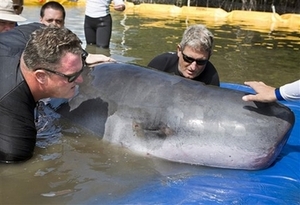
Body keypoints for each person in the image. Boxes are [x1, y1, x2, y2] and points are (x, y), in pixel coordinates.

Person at [0, 25, 84, 163]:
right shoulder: (15, 136)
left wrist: (85, 56)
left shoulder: (30, 34)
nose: (80, 80)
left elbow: (50, 31)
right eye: (72, 76)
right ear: (41, 76)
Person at [39, 1, 114, 64]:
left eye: (58, 21)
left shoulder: (69, 41)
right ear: (41, 20)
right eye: (49, 20)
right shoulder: (30, 37)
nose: (54, 25)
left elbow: (82, 54)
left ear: (63, 23)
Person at [147, 24, 220, 86]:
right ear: (179, 50)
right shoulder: (160, 65)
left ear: (209, 56)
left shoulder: (211, 78)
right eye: (188, 59)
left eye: (201, 62)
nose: (193, 67)